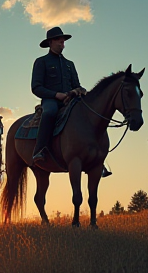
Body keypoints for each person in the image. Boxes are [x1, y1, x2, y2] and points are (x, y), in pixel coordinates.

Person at [31, 27, 112, 177]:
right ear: (50, 42)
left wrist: (80, 90)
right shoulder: (41, 62)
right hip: (51, 100)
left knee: (89, 115)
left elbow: (76, 83)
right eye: (58, 40)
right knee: (50, 113)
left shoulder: (70, 64)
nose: (62, 43)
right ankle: (39, 150)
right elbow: (36, 87)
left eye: (63, 41)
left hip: (71, 100)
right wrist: (56, 95)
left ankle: (97, 158)